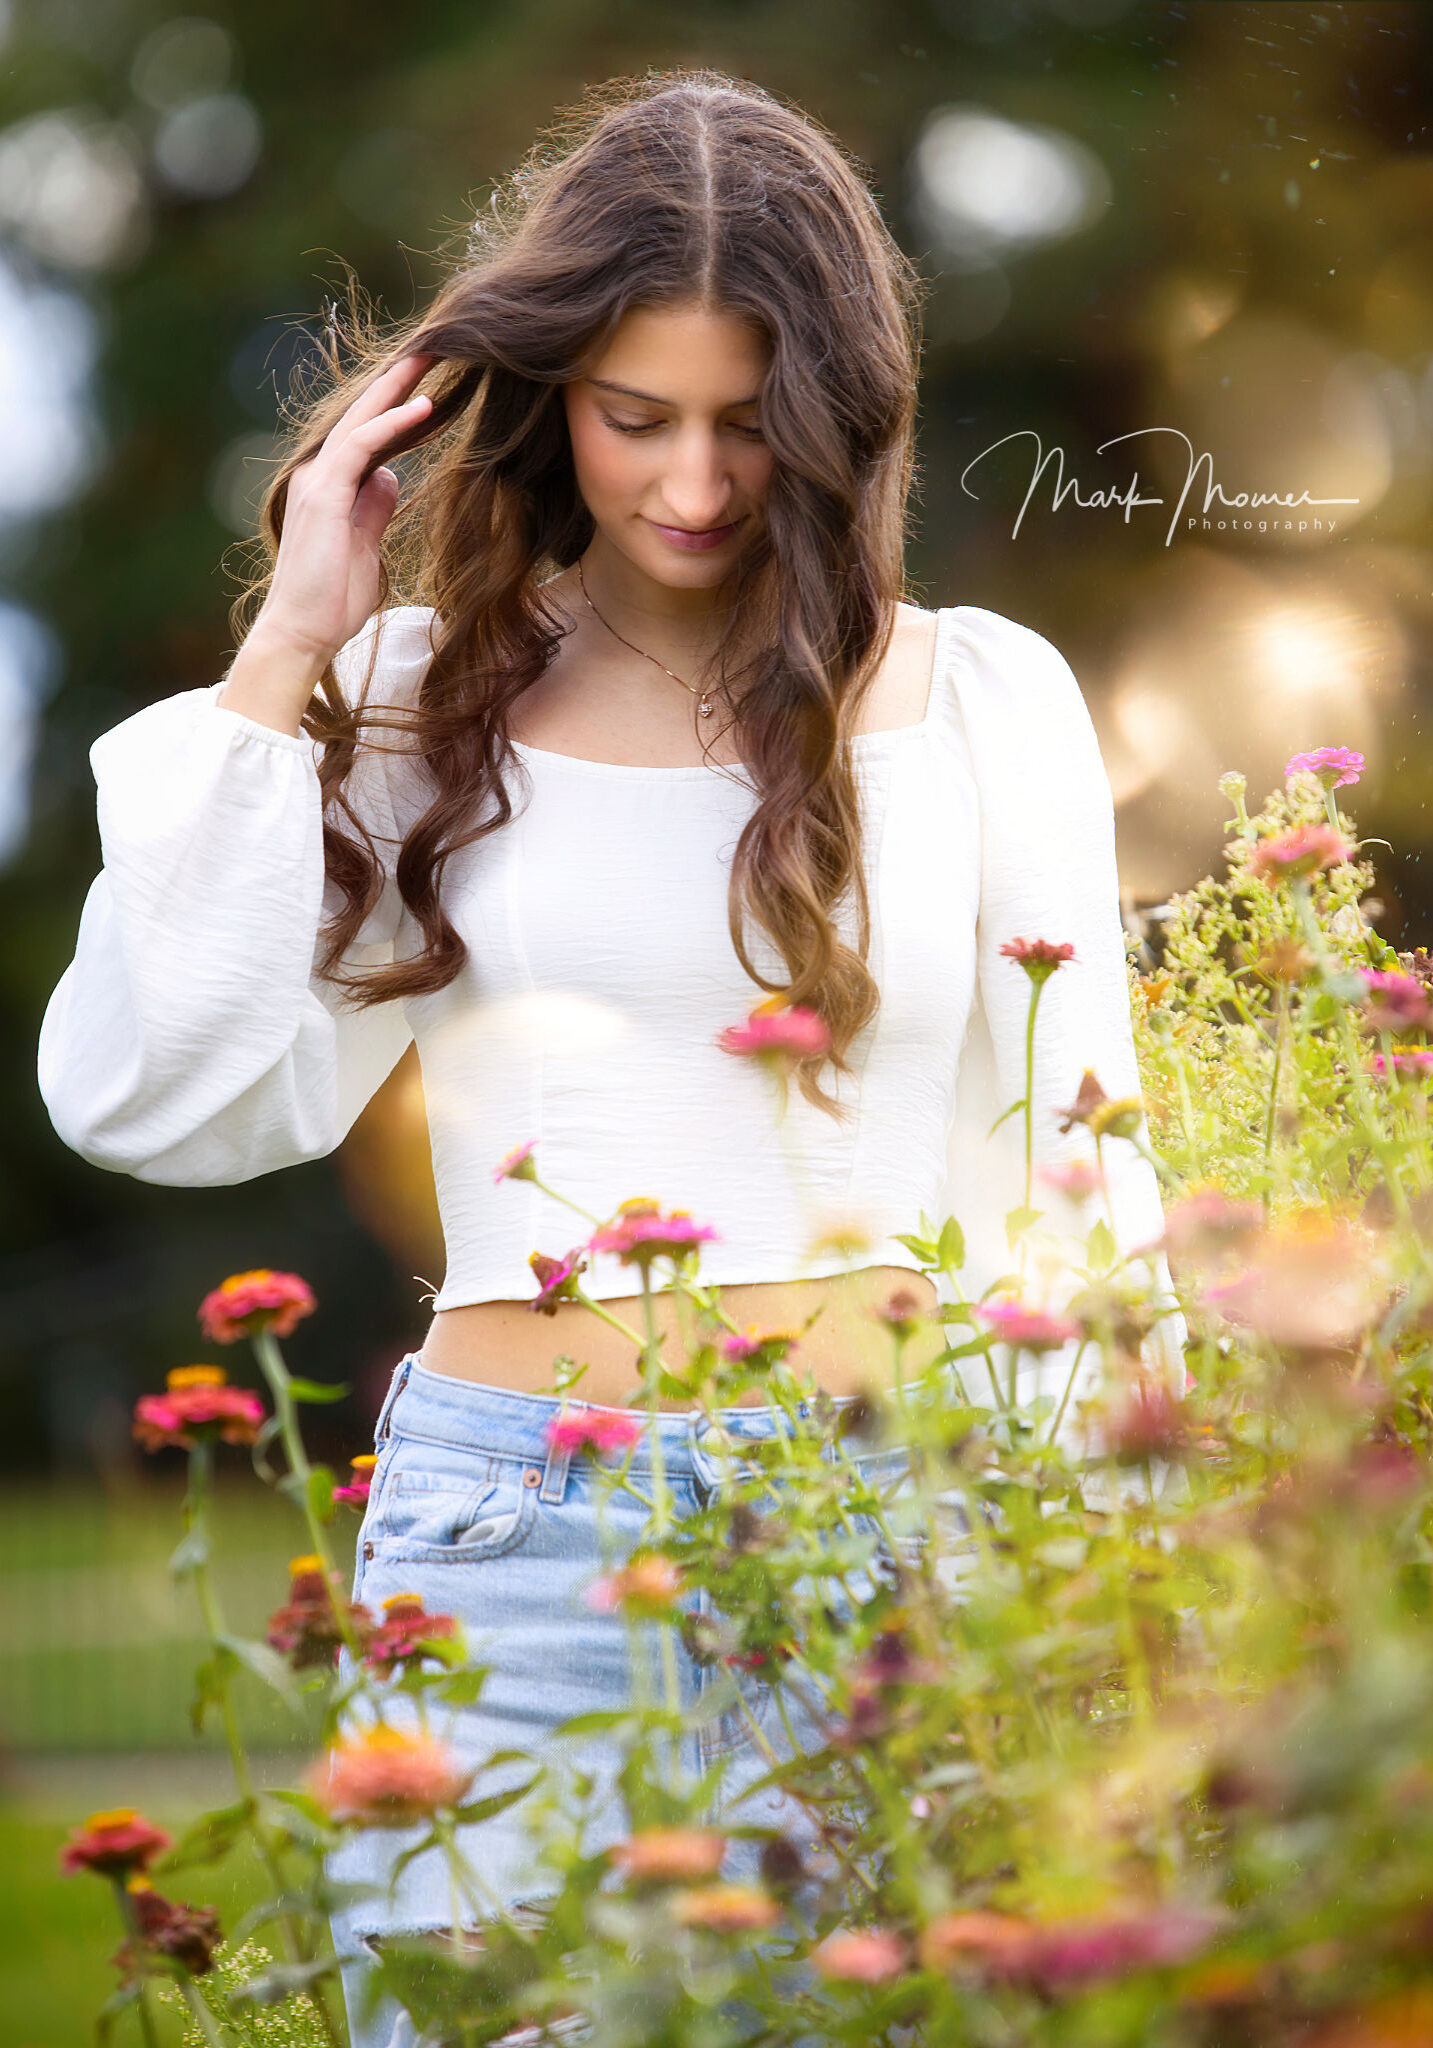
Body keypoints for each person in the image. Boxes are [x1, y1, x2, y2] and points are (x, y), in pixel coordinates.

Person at [36, 68, 1185, 2048]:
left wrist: (1133, 1596)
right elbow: (162, 1092)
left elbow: (1088, 1181)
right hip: (514, 1553)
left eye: (750, 425)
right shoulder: (420, 699)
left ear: (840, 419)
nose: (693, 483)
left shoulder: (984, 701)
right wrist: (291, 644)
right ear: (552, 391)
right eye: (635, 417)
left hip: (896, 1542)